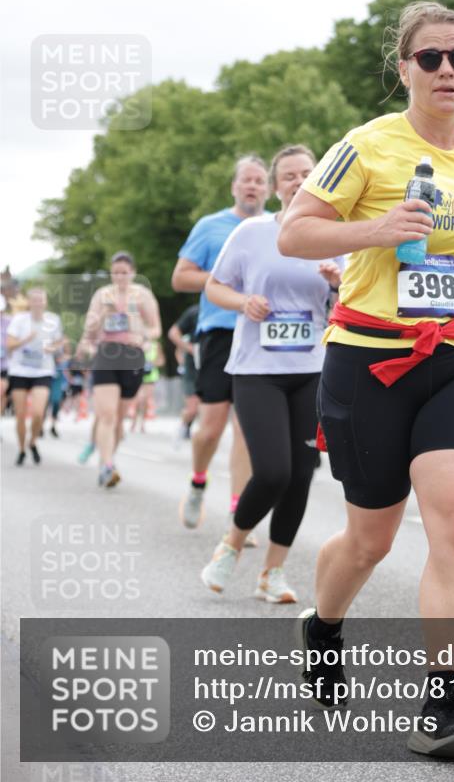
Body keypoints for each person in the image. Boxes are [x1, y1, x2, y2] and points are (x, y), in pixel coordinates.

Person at [278, 1, 454, 760]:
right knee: (369, 539)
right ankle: (322, 627)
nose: (447, 69)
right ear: (405, 68)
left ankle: (439, 712)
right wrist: (374, 231)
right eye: (431, 58)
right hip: (368, 357)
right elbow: (295, 231)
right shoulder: (366, 145)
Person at [200, 144, 344, 604]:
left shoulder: (337, 235)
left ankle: (272, 573)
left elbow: (353, 308)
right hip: (257, 369)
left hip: (311, 368)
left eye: (307, 173)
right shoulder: (251, 232)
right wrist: (244, 302)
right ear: (277, 185)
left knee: (302, 472)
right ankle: (232, 543)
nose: (299, 182)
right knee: (274, 469)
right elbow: (214, 286)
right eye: (288, 176)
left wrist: (338, 285)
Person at [171, 155, 269, 532]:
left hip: (260, 332)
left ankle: (238, 515)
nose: (252, 187)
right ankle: (198, 482)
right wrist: (224, 277)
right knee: (210, 427)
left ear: (268, 188)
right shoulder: (211, 226)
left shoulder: (276, 227)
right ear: (234, 186)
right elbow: (180, 278)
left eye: (260, 181)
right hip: (219, 332)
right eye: (246, 180)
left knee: (246, 428)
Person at [76, 252, 161, 487]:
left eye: (124, 272)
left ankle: (109, 457)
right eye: (116, 273)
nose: (120, 277)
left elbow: (156, 329)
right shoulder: (102, 295)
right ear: (111, 273)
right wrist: (105, 311)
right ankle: (106, 466)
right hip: (107, 353)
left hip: (132, 355)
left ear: (133, 273)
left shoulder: (143, 295)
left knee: (119, 420)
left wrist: (142, 335)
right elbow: (89, 328)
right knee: (107, 415)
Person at [7, 287, 64, 464]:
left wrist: (52, 348)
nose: (38, 303)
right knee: (21, 414)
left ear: (45, 302)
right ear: (29, 302)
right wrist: (26, 339)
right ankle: (22, 448)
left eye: (41, 300)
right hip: (20, 371)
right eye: (35, 300)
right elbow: (9, 345)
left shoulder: (53, 320)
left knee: (38, 413)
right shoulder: (19, 320)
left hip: (43, 370)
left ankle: (32, 442)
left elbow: (59, 343)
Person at [167, 304, 201, 443]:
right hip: (192, 368)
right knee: (192, 409)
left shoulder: (227, 310)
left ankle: (201, 435)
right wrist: (190, 349)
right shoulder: (194, 312)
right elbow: (173, 333)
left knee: (206, 408)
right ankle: (183, 426)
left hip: (211, 368)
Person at [130, 339, 165, 432]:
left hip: (150, 377)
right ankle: (134, 422)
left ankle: (142, 423)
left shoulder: (156, 345)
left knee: (145, 400)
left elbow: (161, 361)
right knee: (138, 399)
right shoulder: (136, 343)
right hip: (138, 375)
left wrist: (151, 363)